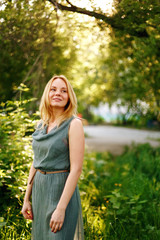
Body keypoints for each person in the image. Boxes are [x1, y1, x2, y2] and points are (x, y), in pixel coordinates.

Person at [21, 75, 85, 240]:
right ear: (47, 94)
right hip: (39, 191)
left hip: (61, 191)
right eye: (53, 89)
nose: (58, 93)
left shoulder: (74, 124)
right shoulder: (41, 125)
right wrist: (26, 198)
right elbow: (36, 163)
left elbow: (76, 169)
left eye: (64, 91)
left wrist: (61, 208)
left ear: (69, 97)